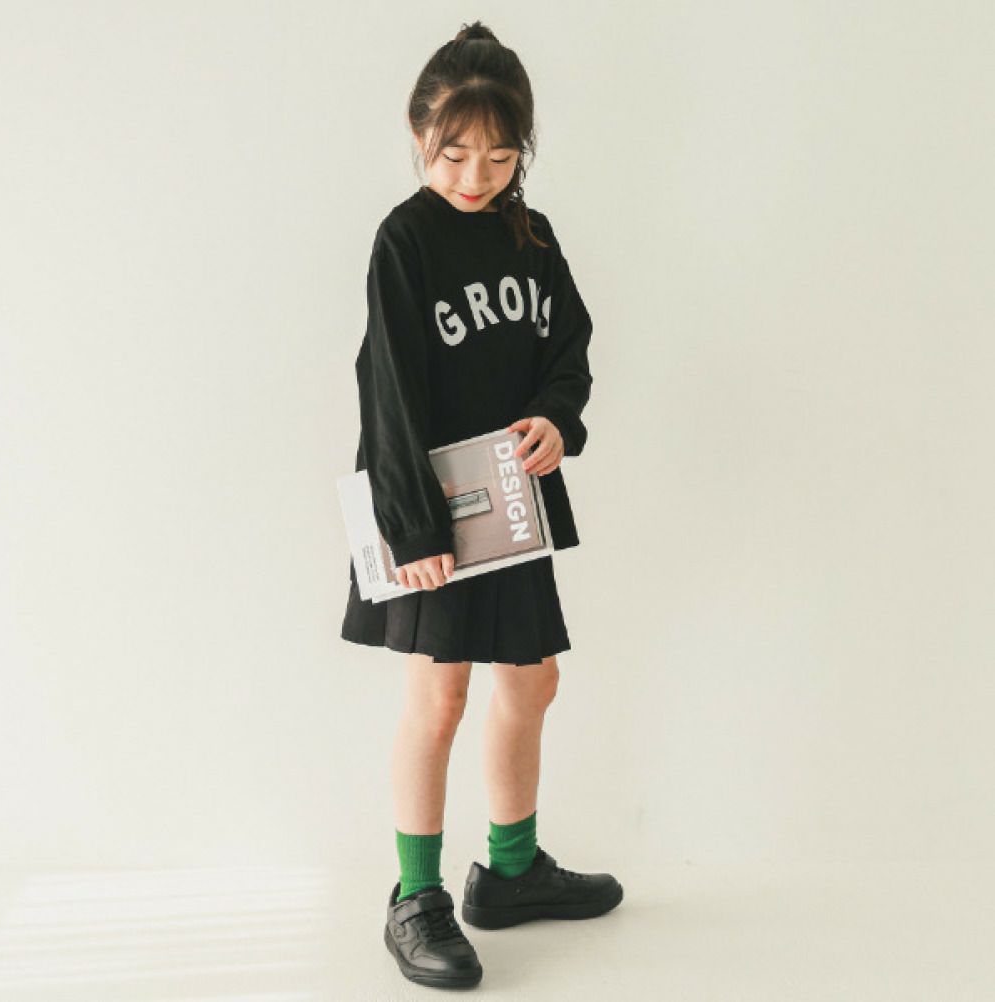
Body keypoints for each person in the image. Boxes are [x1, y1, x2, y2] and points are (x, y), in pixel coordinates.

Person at [339, 20, 623, 990]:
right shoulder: (405, 239)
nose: (475, 176)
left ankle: (509, 871)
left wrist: (556, 419)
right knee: (441, 694)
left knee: (533, 681)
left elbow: (568, 347)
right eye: (455, 154)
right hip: (429, 510)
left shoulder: (529, 234)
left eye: (500, 158)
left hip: (511, 502)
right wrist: (413, 527)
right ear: (420, 135)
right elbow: (387, 390)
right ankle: (415, 896)